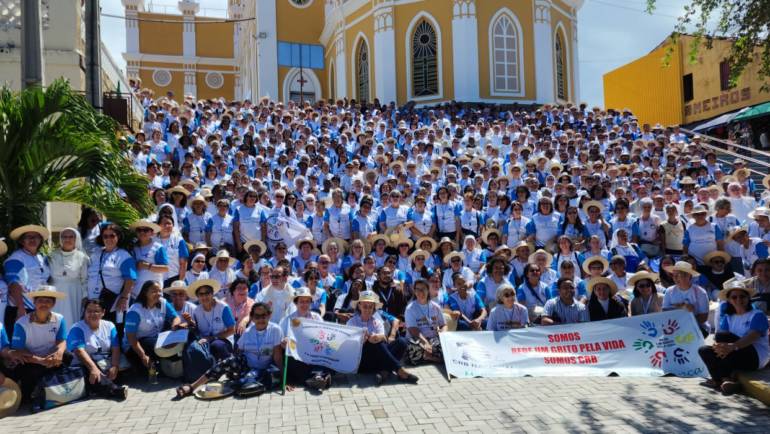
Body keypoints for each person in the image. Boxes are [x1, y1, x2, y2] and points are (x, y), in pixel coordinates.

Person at [176, 302, 283, 399]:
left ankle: (243, 381)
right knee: (226, 363)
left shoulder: (275, 330)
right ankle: (192, 386)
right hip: (247, 365)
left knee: (247, 384)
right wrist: (230, 366)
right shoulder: (248, 332)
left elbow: (277, 357)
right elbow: (238, 352)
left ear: (269, 315)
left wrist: (285, 381)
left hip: (265, 368)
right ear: (252, 318)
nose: (260, 319)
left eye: (264, 315)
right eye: (257, 316)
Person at [699, 279, 769, 395]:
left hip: (756, 356)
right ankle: (724, 380)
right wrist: (720, 347)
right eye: (734, 297)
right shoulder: (728, 317)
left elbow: (753, 336)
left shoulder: (757, 315)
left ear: (748, 298)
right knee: (704, 350)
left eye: (742, 296)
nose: (738, 300)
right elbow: (722, 340)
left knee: (722, 336)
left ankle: (722, 379)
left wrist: (733, 346)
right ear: (729, 300)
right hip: (736, 352)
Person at [10, 286, 70, 402]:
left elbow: (61, 340)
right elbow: (18, 351)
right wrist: (40, 360)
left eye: (48, 301)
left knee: (67, 356)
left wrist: (59, 353)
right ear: (34, 302)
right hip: (31, 360)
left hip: (51, 357)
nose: (44, 304)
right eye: (40, 300)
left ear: (53, 303)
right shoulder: (21, 323)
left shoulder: (59, 319)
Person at [346, 291, 417, 385]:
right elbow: (348, 344)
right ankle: (398, 369)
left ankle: (385, 371)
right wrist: (362, 340)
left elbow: (383, 337)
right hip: (362, 362)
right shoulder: (352, 322)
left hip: (378, 359)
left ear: (374, 308)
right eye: (365, 306)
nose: (367, 309)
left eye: (370, 307)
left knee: (402, 341)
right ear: (359, 306)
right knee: (376, 344)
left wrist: (376, 337)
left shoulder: (377, 321)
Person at [66, 299, 128, 400]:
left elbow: (115, 347)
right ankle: (114, 390)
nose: (92, 314)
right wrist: (93, 369)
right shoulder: (77, 328)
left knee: (119, 370)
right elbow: (79, 352)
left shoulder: (109, 325)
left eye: (96, 311)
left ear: (103, 312)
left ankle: (102, 386)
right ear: (84, 312)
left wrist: (115, 366)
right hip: (85, 363)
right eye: (89, 311)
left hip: (105, 361)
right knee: (94, 373)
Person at [123, 281, 184, 375]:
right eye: (154, 291)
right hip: (136, 344)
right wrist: (143, 356)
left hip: (157, 339)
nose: (158, 294)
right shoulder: (135, 310)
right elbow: (131, 338)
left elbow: (176, 317)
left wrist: (174, 326)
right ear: (145, 292)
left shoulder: (162, 302)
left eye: (160, 291)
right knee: (160, 349)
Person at [279, 287, 331, 392]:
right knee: (291, 361)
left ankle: (315, 378)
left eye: (307, 301)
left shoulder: (316, 317)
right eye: (301, 301)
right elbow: (281, 342)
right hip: (297, 356)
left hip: (314, 354)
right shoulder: (287, 320)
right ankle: (318, 378)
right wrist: (284, 342)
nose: (304, 304)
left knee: (328, 356)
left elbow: (324, 336)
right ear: (296, 303)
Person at [4, 225, 51, 332]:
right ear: (21, 241)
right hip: (22, 309)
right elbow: (14, 285)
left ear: (40, 240)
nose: (32, 240)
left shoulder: (41, 257)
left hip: (39, 308)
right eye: (28, 237)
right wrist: (21, 309)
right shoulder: (15, 258)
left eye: (36, 237)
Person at [87, 223, 136, 326]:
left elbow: (130, 280)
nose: (108, 239)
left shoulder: (123, 255)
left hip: (112, 303)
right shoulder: (96, 254)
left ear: (118, 237)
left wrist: (124, 298)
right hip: (92, 301)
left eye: (112, 236)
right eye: (105, 236)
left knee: (110, 329)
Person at [50, 227, 89, 327]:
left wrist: (85, 296)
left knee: (72, 318)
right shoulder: (51, 256)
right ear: (60, 239)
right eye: (64, 237)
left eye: (71, 237)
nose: (67, 239)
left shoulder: (83, 257)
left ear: (76, 239)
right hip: (55, 291)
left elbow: (85, 279)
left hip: (74, 292)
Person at [189, 279, 237, 361]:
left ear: (212, 294)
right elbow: (196, 329)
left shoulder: (223, 308)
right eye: (201, 294)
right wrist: (190, 323)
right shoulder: (196, 311)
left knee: (216, 345)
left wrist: (212, 338)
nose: (204, 296)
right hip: (204, 340)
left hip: (223, 340)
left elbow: (232, 330)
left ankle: (229, 365)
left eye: (207, 293)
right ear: (197, 297)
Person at [662, 261, 710, 336]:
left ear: (688, 276)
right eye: (673, 275)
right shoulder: (669, 291)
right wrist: (682, 308)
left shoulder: (701, 292)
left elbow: (704, 317)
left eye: (678, 275)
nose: (675, 278)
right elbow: (664, 311)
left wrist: (685, 322)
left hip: (697, 326)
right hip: (674, 327)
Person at [405, 279, 446, 365]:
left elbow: (443, 324)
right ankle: (433, 358)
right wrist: (425, 343)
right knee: (414, 349)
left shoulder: (436, 306)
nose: (420, 292)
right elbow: (413, 330)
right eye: (418, 290)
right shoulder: (410, 308)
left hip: (433, 339)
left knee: (445, 347)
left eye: (423, 289)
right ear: (414, 291)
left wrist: (443, 333)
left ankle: (428, 357)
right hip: (417, 339)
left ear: (428, 290)